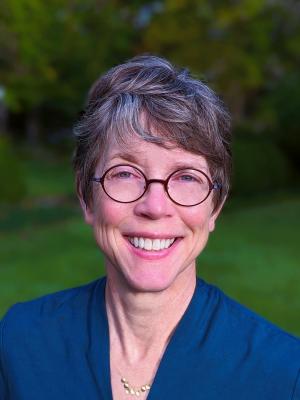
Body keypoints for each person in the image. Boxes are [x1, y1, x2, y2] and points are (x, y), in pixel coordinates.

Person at [0, 55, 299, 400]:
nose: (155, 207)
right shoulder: (18, 347)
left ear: (215, 205)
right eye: (125, 174)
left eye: (187, 176)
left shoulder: (284, 375)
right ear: (86, 196)